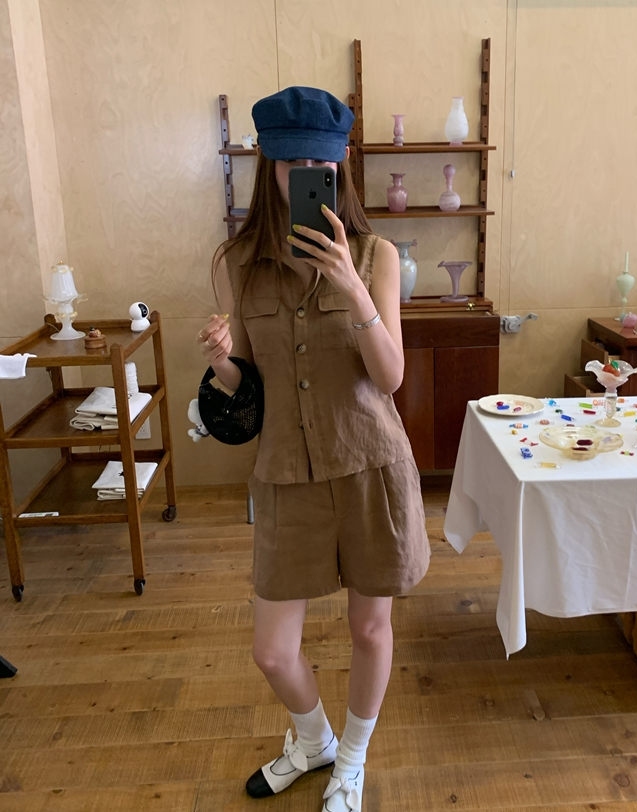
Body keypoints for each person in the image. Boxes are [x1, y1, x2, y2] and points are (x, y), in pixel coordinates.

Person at [197, 86, 431, 811]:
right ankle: (315, 741)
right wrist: (222, 361)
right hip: (286, 473)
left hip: (369, 465)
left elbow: (389, 377)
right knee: (272, 651)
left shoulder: (376, 255)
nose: (305, 173)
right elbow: (247, 387)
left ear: (341, 166)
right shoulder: (237, 263)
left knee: (369, 627)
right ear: (267, 165)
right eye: (291, 163)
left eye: (319, 165)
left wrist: (354, 290)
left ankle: (349, 762)